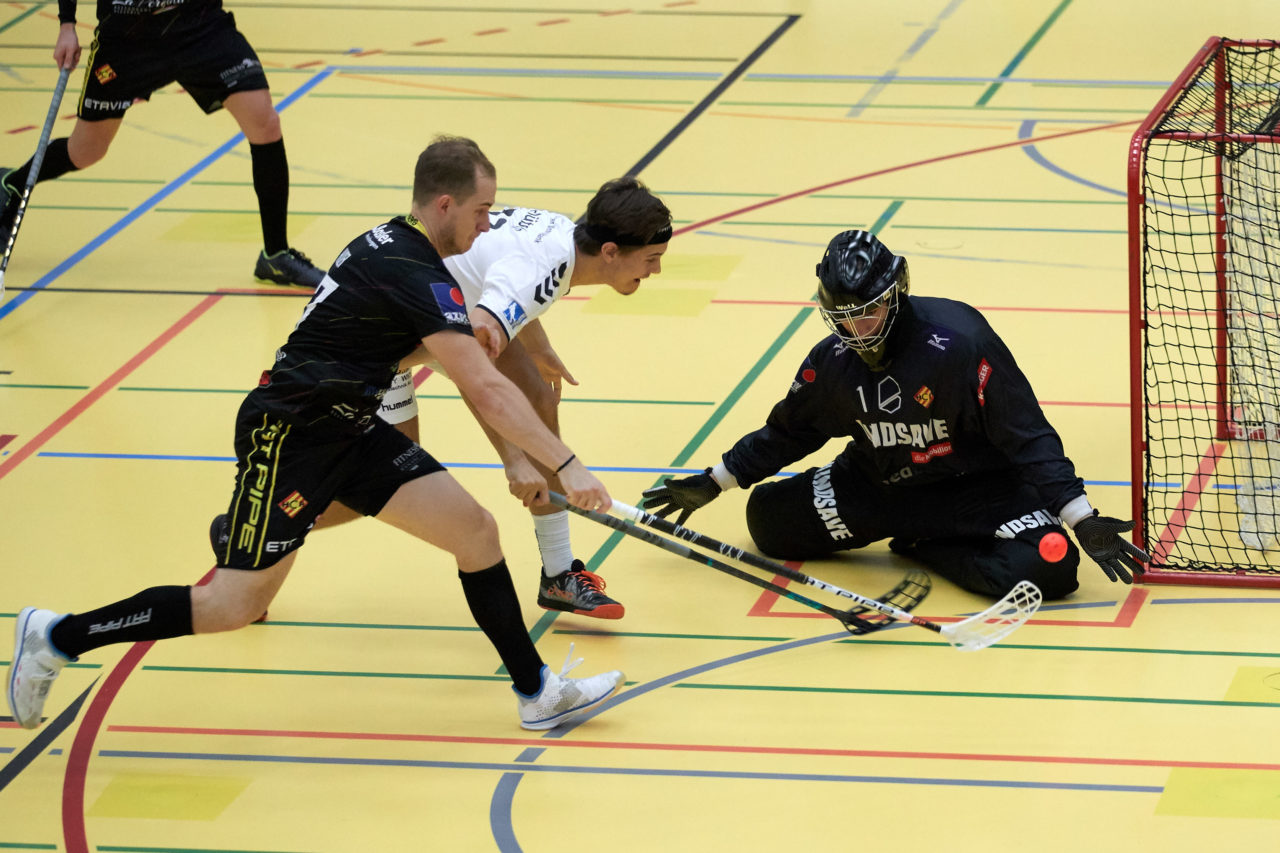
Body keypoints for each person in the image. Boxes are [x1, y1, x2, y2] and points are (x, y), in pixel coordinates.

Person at [7, 136, 624, 734]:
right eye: (482, 210)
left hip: (350, 425)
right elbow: (484, 387)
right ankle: (56, 636)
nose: (488, 225)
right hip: (292, 432)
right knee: (232, 605)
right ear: (445, 205)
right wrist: (564, 464)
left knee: (475, 532)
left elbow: (402, 347)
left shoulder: (396, 247)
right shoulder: (412, 269)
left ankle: (536, 693)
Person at [641, 229, 1149, 601]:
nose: (857, 331)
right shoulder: (831, 361)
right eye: (842, 319)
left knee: (1051, 570)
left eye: (868, 313)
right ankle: (915, 529)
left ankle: (927, 544)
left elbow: (1027, 436)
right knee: (767, 525)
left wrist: (1080, 516)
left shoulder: (962, 343)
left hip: (979, 490)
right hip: (877, 489)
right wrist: (716, 480)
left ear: (895, 294)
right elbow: (788, 432)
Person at [364, 180, 672, 621]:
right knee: (384, 478)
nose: (655, 272)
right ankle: (260, 535)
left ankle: (559, 575)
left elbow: (506, 287)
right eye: (651, 260)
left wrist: (539, 349)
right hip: (385, 338)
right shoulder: (542, 269)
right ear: (609, 251)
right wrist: (513, 458)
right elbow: (473, 369)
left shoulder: (562, 240)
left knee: (538, 403)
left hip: (431, 314)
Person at [0, 0, 324, 287]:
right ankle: (12, 184)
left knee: (264, 123)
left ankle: (276, 255)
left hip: (199, 25)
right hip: (128, 36)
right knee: (86, 151)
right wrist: (67, 25)